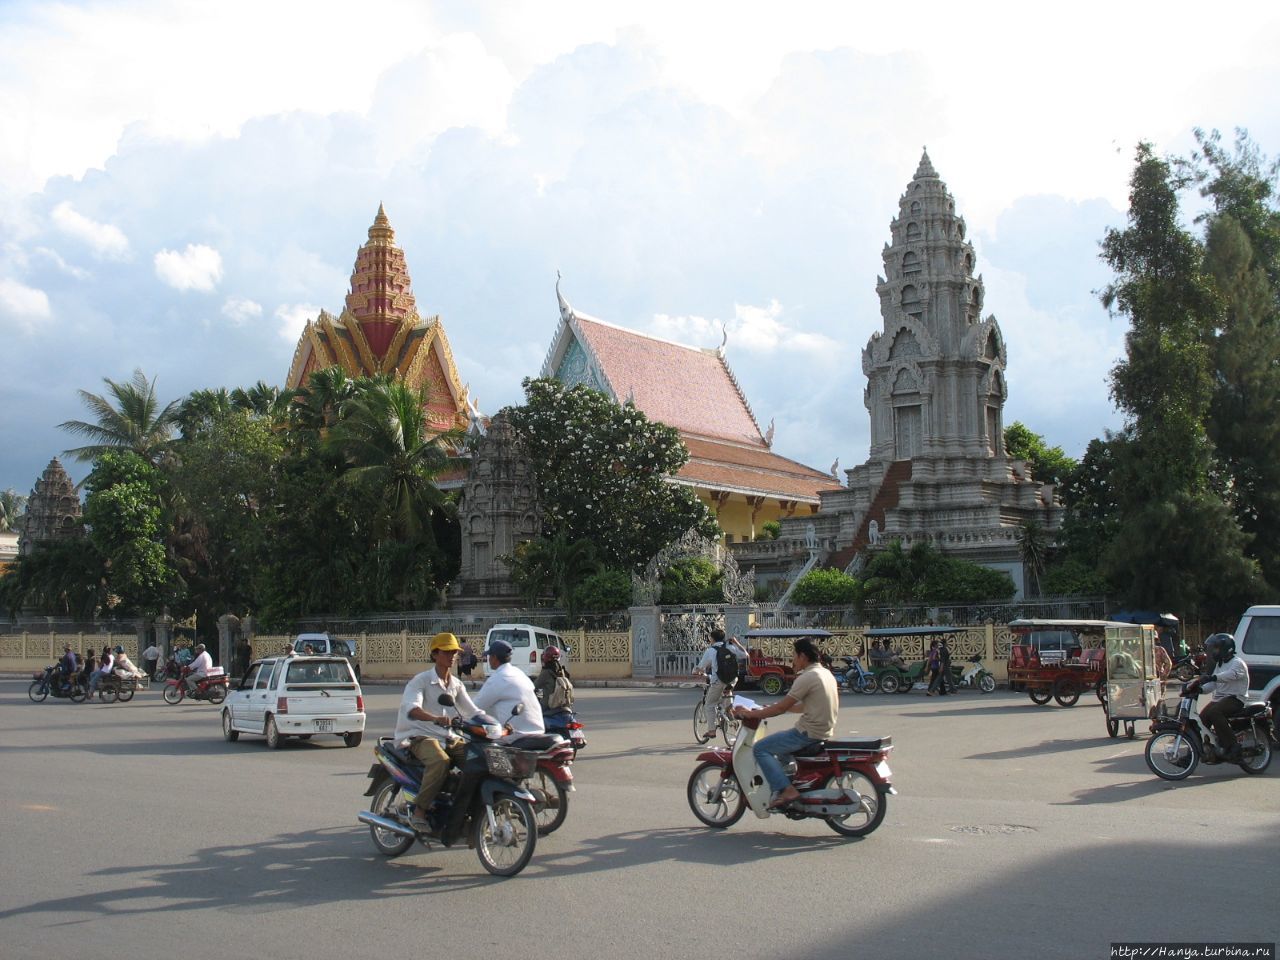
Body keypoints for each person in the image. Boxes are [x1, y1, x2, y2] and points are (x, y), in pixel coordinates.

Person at [733, 636, 838, 808]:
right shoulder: (825, 673)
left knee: (761, 748)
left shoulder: (807, 677)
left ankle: (787, 790)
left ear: (802, 656)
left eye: (794, 656)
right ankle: (788, 781)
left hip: (807, 733)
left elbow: (780, 709)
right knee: (781, 751)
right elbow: (804, 705)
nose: (793, 660)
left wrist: (752, 714)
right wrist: (775, 707)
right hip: (823, 731)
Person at [393, 632, 481, 835]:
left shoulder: (456, 684)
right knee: (440, 761)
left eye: (454, 652)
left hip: (449, 737)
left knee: (478, 760)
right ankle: (419, 811)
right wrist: (434, 718)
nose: (451, 656)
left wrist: (497, 726)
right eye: (447, 652)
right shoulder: (421, 681)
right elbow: (412, 709)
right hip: (421, 736)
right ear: (435, 654)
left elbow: (473, 711)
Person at [1194, 633, 1250, 762]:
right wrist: (1199, 689)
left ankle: (1233, 745)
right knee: (1200, 721)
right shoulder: (1220, 664)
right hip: (1219, 699)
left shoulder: (1237, 663)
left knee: (1215, 712)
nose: (1214, 651)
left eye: (1217, 648)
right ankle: (1192, 754)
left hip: (1235, 699)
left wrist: (1213, 677)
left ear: (1226, 648)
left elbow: (1230, 675)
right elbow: (1213, 685)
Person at [472, 639, 544, 736]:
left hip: (516, 736)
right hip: (539, 732)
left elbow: (474, 707)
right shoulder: (519, 673)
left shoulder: (498, 678)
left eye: (489, 656)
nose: (488, 659)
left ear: (494, 657)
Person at [694, 628, 747, 739]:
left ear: (712, 639)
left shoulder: (711, 651)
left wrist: (696, 671)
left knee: (709, 704)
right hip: (732, 680)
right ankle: (731, 719)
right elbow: (745, 655)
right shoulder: (730, 647)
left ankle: (712, 731)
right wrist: (737, 643)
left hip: (718, 681)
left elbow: (701, 666)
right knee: (727, 701)